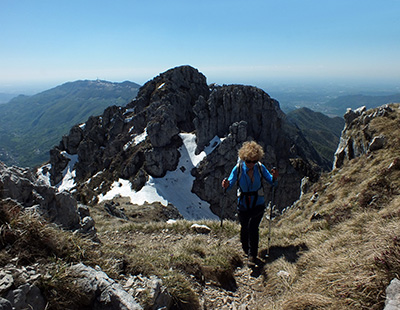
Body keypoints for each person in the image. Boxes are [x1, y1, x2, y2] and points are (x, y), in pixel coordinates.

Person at [222, 141, 277, 264]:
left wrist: (275, 178)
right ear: (243, 158)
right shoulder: (238, 168)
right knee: (244, 228)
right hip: (243, 204)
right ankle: (246, 249)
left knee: (253, 226)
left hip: (258, 203)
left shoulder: (260, 167)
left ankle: (252, 255)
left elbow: (272, 182)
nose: (251, 164)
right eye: (248, 161)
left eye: (254, 161)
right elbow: (230, 184)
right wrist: (226, 185)